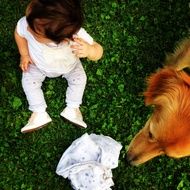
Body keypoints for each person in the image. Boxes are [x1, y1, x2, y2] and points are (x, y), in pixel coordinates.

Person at [14, 0, 103, 133]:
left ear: (62, 39)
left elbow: (99, 50)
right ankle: (38, 112)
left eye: (33, 31)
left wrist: (90, 50)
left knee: (80, 79)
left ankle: (73, 108)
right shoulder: (29, 22)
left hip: (70, 66)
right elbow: (19, 34)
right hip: (37, 64)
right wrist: (25, 54)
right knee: (28, 80)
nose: (27, 28)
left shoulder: (76, 35)